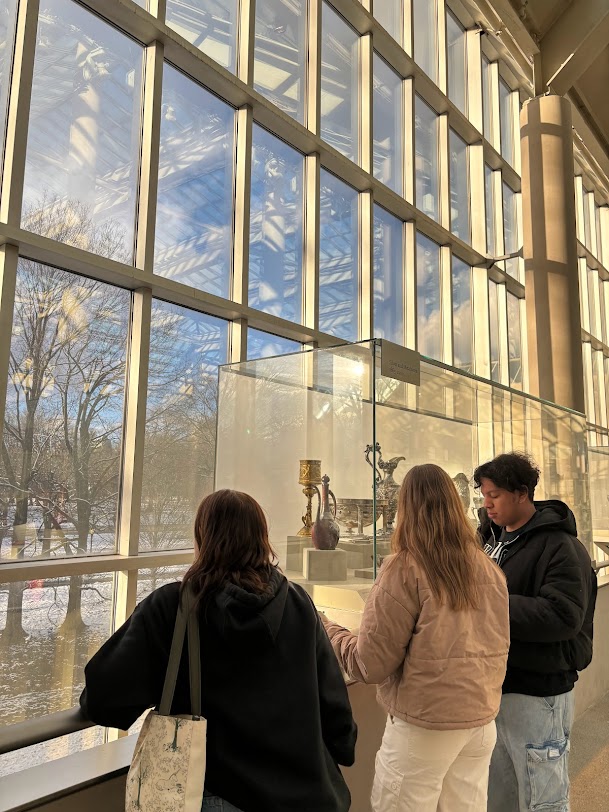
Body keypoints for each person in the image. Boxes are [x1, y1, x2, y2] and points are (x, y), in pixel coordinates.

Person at [80, 489, 357, 812]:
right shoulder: (298, 604)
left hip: (216, 795)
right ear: (261, 538)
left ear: (202, 539)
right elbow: (335, 709)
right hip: (304, 796)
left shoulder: (173, 609)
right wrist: (341, 747)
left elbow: (103, 700)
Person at [322, 463, 510, 812]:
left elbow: (369, 664)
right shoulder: (487, 567)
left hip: (425, 727)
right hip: (479, 723)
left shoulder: (405, 567)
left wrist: (328, 628)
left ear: (405, 507)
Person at [473, 452, 597, 812]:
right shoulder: (490, 541)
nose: (487, 504)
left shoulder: (561, 547)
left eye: (494, 495)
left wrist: (490, 601)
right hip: (497, 688)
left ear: (522, 493)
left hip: (539, 694)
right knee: (500, 794)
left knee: (542, 798)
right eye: (484, 495)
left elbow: (562, 615)